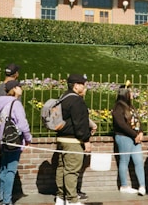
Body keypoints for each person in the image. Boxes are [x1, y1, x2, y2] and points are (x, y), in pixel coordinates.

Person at [54, 74, 91, 205]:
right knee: (71, 171)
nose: (85, 87)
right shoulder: (76, 101)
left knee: (61, 168)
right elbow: (80, 123)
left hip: (61, 139)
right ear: (76, 85)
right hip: (73, 141)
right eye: (83, 84)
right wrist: (86, 140)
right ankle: (72, 200)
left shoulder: (63, 97)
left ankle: (60, 196)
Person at [0, 80, 32, 205]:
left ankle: (0, 197)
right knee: (11, 171)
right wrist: (28, 139)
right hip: (14, 142)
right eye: (19, 87)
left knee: (2, 170)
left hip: (3, 141)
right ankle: (7, 201)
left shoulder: (2, 104)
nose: (21, 89)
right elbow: (23, 125)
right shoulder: (16, 104)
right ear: (14, 89)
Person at [112, 82, 146, 196]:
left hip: (135, 137)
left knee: (138, 161)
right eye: (130, 92)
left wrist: (140, 132)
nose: (132, 94)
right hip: (124, 137)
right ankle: (124, 185)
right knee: (124, 161)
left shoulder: (131, 106)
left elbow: (137, 121)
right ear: (124, 93)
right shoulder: (118, 107)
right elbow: (121, 125)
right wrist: (134, 134)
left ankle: (142, 185)